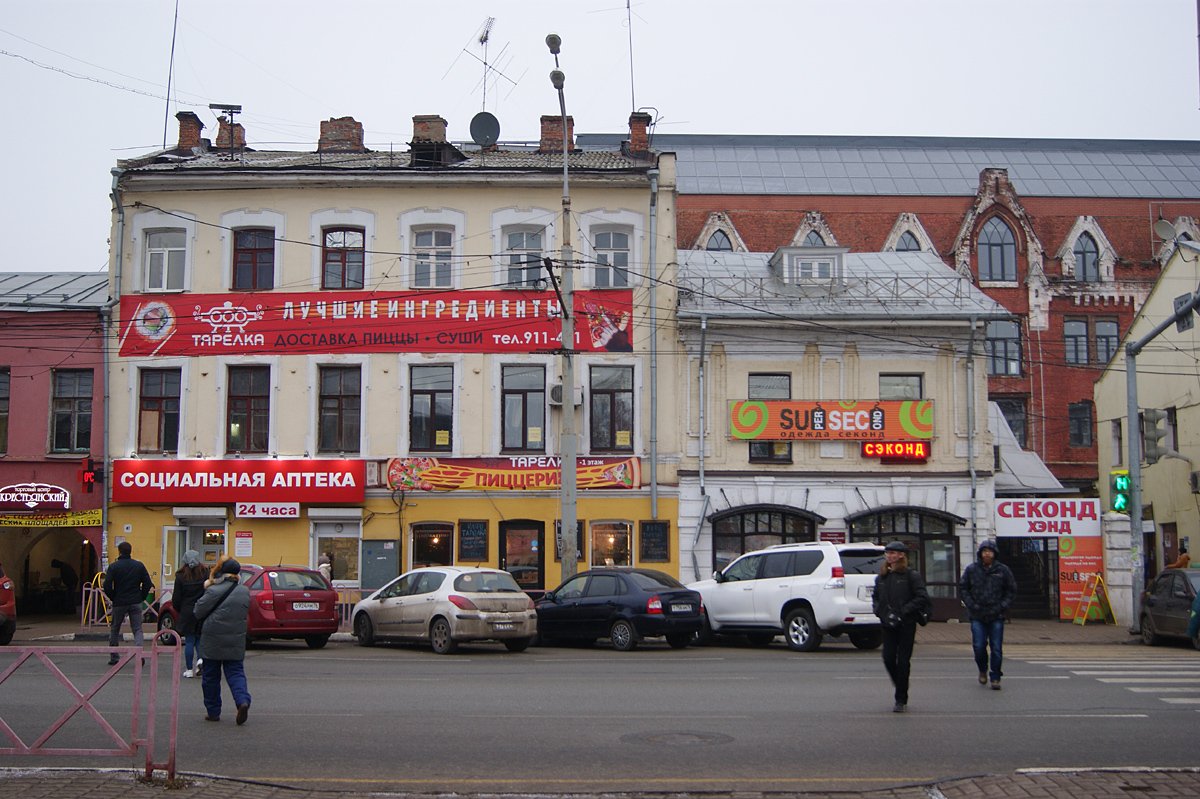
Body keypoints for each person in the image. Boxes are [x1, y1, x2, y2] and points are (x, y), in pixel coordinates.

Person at [872, 540, 930, 713]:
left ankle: (900, 699)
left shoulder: (911, 575)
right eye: (887, 553)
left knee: (903, 660)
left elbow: (921, 597)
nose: (889, 556)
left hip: (906, 623)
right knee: (888, 658)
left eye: (893, 553)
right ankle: (901, 684)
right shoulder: (882, 576)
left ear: (901, 555)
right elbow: (876, 597)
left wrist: (904, 611)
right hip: (887, 623)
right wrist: (878, 611)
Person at [194, 557, 252, 724]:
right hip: (236, 638)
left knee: (210, 676)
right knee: (236, 673)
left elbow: (198, 611)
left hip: (212, 638)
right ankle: (242, 701)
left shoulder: (213, 590)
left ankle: (213, 712)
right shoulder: (244, 591)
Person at [959, 538, 1017, 690]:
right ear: (980, 553)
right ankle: (982, 669)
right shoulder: (972, 569)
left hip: (996, 614)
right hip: (977, 614)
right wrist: (971, 605)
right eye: (985, 551)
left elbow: (1011, 590)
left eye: (990, 552)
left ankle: (996, 676)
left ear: (994, 554)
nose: (987, 554)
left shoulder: (1002, 570)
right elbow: (963, 588)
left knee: (996, 648)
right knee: (978, 646)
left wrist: (1002, 606)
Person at [102, 541, 154, 666]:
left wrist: (113, 597)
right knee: (137, 629)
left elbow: (107, 585)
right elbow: (147, 583)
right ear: (130, 551)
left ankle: (114, 656)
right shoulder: (139, 566)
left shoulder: (114, 566)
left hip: (119, 601)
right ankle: (139, 654)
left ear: (119, 551)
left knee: (115, 628)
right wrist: (141, 596)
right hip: (135, 601)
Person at [172, 550, 208, 678]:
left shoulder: (180, 576)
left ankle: (188, 669)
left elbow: (176, 598)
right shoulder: (205, 573)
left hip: (187, 612)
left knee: (189, 640)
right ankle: (201, 661)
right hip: (202, 610)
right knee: (199, 638)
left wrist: (180, 609)